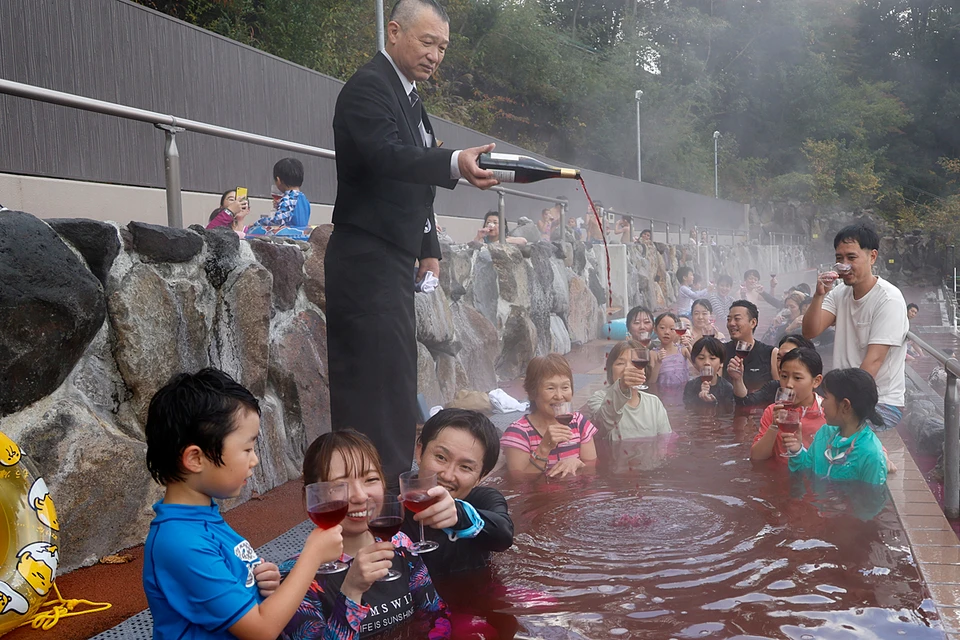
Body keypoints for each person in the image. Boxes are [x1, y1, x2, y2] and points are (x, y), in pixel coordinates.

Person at [326, 0, 499, 483]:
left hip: (393, 256)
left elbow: (416, 185)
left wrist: (429, 249)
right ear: (395, 32)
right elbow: (388, 157)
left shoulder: (411, 98)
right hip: (364, 256)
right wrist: (451, 163)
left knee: (395, 382)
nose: (435, 55)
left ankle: (390, 495)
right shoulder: (368, 88)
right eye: (427, 42)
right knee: (370, 388)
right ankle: (367, 505)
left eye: (442, 47)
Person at [142, 369, 344, 640]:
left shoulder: (202, 519)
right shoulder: (180, 542)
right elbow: (260, 631)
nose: (255, 460)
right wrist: (313, 556)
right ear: (195, 459)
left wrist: (261, 580)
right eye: (247, 449)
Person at [279, 430, 450, 639]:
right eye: (340, 485)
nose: (360, 496)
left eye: (370, 479)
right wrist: (352, 591)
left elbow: (435, 615)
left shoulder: (401, 546)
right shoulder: (296, 577)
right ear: (311, 499)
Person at [802, 223, 909, 429]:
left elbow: (874, 362)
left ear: (872, 257)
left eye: (851, 258)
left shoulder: (889, 300)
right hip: (844, 397)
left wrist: (842, 407)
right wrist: (819, 295)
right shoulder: (839, 293)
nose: (844, 265)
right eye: (839, 259)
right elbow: (810, 331)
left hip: (879, 402)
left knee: (841, 449)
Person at [400, 409, 513, 578]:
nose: (447, 475)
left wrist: (460, 515)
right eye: (441, 457)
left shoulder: (484, 499)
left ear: (481, 476)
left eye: (465, 467)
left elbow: (503, 535)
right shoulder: (393, 504)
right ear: (419, 452)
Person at [782, 368, 889, 485]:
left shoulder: (871, 455)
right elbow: (807, 473)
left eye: (826, 398)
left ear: (845, 405)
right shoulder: (825, 433)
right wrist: (797, 451)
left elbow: (871, 499)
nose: (822, 403)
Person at [502, 354, 598, 477]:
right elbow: (519, 481)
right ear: (532, 393)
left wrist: (577, 463)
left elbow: (592, 468)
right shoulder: (518, 434)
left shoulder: (579, 423)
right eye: (550, 388)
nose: (559, 396)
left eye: (565, 387)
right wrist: (544, 448)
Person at [750, 348, 824, 462]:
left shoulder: (826, 411)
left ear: (816, 381)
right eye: (784, 376)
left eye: (797, 378)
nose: (789, 384)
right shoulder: (773, 411)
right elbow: (756, 457)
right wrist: (774, 426)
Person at [587, 340, 672, 439]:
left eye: (634, 362)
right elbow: (600, 428)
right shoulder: (598, 399)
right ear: (610, 370)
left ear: (644, 368)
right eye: (620, 363)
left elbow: (665, 441)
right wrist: (621, 386)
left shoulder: (654, 403)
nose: (628, 368)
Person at [732, 334, 816, 407]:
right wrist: (738, 379)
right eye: (779, 358)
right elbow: (745, 403)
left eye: (789, 357)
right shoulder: (774, 389)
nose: (781, 363)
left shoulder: (823, 398)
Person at [722, 299, 776, 390]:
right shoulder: (721, 351)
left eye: (737, 319)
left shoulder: (770, 353)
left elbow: (778, 388)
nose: (731, 323)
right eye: (729, 319)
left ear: (753, 323)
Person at [250, 158, 312, 229]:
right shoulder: (304, 199)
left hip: (290, 237)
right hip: (302, 236)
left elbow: (277, 222)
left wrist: (259, 223)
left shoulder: (288, 198)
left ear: (278, 180)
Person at [684, 336, 734, 405]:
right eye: (701, 358)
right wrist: (700, 399)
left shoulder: (727, 387)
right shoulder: (691, 386)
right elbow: (688, 409)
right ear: (694, 363)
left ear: (721, 363)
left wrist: (713, 403)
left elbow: (728, 411)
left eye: (712, 358)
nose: (706, 362)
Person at [648, 312, 691, 386]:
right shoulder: (653, 354)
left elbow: (698, 367)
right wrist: (658, 362)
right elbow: (651, 382)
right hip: (663, 394)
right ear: (655, 330)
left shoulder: (683, 350)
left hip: (684, 393)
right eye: (662, 328)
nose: (667, 332)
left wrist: (689, 346)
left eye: (672, 329)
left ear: (677, 331)